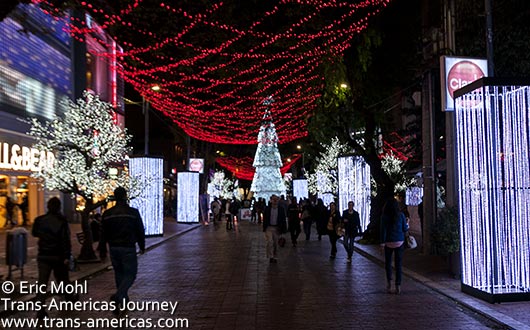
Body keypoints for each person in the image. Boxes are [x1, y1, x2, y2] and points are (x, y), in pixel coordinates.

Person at [101, 187, 145, 314]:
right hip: (128, 247)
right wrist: (142, 245)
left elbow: (103, 234)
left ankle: (123, 302)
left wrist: (103, 249)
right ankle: (119, 296)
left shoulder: (107, 214)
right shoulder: (132, 213)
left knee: (119, 274)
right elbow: (140, 230)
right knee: (130, 274)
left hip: (113, 247)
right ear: (125, 196)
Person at [32, 197, 76, 319]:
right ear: (59, 207)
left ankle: (40, 309)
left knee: (42, 283)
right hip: (58, 255)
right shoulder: (62, 221)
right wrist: (67, 255)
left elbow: (35, 233)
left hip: (44, 255)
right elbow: (65, 240)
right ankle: (69, 297)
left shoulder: (39, 220)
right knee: (63, 278)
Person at [380, 197, 409, 294]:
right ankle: (398, 285)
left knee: (388, 263)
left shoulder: (384, 216)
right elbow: (405, 228)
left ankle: (389, 283)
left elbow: (383, 230)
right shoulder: (401, 215)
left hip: (388, 241)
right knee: (398, 264)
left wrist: (382, 243)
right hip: (399, 241)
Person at [263, 194, 287, 263]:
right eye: (274, 200)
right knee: (270, 242)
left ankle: (275, 256)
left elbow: (283, 219)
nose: (275, 201)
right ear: (271, 200)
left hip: (277, 228)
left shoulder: (281, 209)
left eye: (276, 200)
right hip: (269, 228)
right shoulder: (267, 209)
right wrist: (264, 228)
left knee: (276, 243)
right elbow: (265, 218)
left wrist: (284, 230)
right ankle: (270, 256)